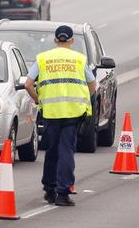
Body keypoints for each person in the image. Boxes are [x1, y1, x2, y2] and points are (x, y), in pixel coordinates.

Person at [25, 25, 97, 207]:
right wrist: (83, 100)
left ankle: (49, 189)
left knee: (52, 150)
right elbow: (93, 85)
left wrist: (39, 100)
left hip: (51, 112)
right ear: (72, 41)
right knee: (66, 151)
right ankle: (63, 193)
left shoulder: (43, 59)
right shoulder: (80, 59)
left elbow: (28, 84)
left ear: (56, 40)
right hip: (73, 112)